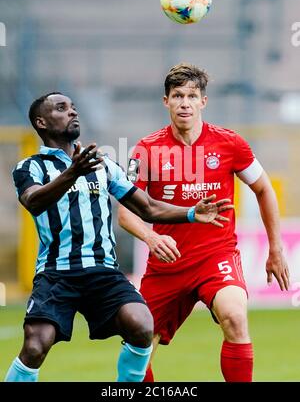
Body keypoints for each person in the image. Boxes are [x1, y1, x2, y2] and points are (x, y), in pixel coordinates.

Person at [4, 92, 233, 383]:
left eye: (74, 107)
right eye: (62, 108)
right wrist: (72, 173)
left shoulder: (102, 165)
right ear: (42, 121)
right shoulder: (30, 167)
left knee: (141, 325)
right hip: (56, 274)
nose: (73, 112)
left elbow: (146, 207)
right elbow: (34, 201)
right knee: (36, 345)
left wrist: (190, 213)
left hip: (102, 272)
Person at [118, 63, 290, 382]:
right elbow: (125, 212)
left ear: (203, 102)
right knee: (137, 350)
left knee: (235, 317)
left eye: (192, 96)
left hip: (216, 256)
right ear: (166, 101)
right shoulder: (145, 151)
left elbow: (264, 188)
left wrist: (275, 249)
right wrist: (151, 238)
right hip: (166, 265)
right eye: (178, 95)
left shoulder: (229, 143)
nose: (185, 102)